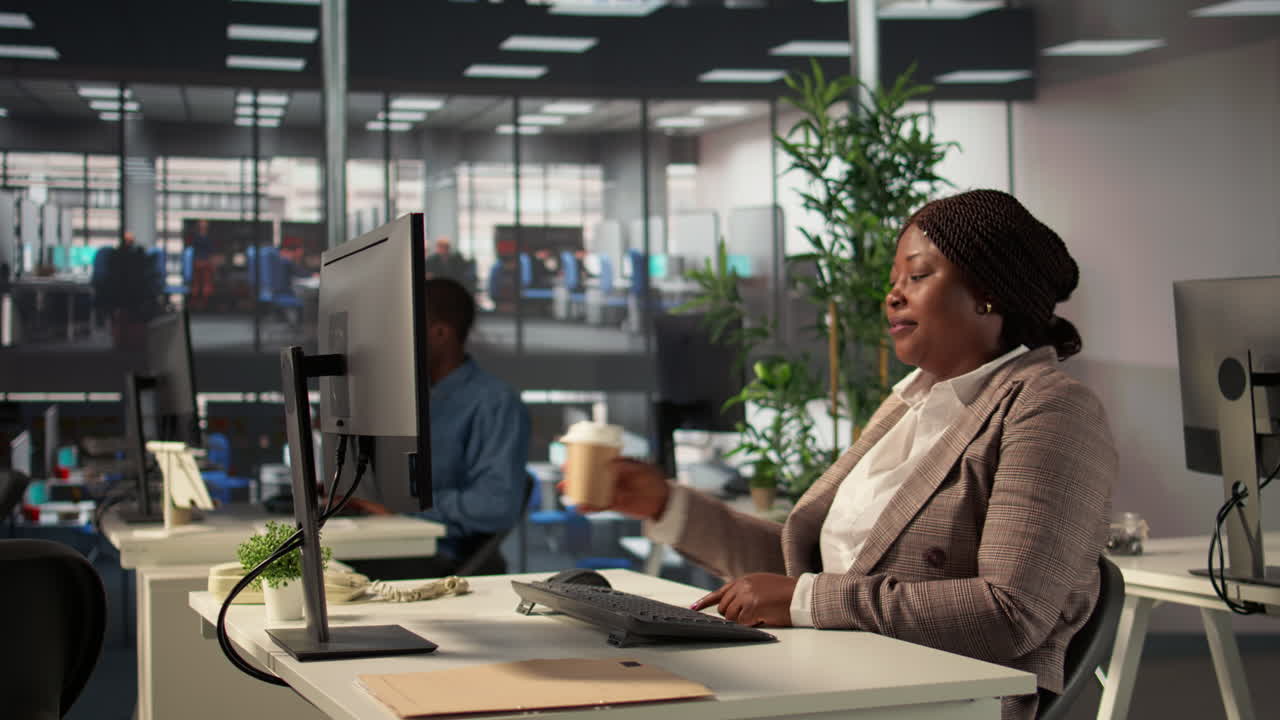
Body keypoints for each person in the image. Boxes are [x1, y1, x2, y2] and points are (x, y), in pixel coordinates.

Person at [577, 189, 1116, 720]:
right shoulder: (909, 403)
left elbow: (1011, 612)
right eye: (893, 282)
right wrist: (665, 505)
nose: (893, 295)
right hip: (839, 677)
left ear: (988, 293)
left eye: (918, 275)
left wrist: (806, 601)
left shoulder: (1049, 408)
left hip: (944, 701)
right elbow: (804, 571)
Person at [344, 277, 531, 578]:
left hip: (439, 558)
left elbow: (494, 504)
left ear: (440, 333)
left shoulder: (494, 402)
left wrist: (404, 506)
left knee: (319, 572)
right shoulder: (415, 397)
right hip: (393, 537)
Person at [95, 230, 164, 349]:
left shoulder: (115, 256)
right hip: (130, 294)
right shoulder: (128, 256)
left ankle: (128, 336)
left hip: (126, 294)